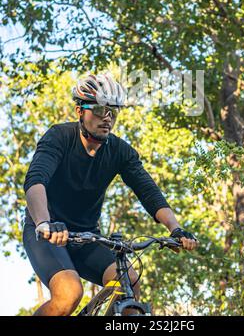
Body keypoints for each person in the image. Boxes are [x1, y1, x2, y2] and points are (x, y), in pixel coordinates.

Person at [22, 73, 198, 316]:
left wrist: (175, 228)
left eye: (114, 111)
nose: (108, 117)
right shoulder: (59, 137)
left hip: (87, 238)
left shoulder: (120, 152)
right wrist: (44, 222)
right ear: (79, 111)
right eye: (99, 109)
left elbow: (149, 192)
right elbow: (35, 180)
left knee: (130, 284)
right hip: (47, 233)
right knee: (69, 293)